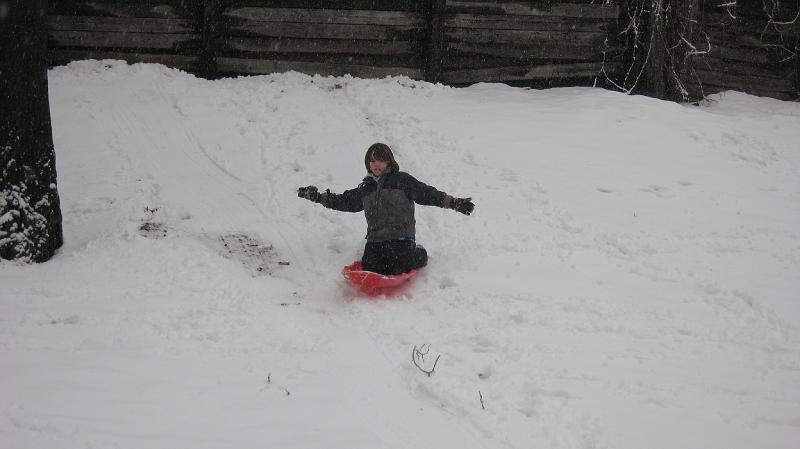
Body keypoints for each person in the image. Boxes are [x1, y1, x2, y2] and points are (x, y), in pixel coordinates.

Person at [297, 143, 474, 275]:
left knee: (398, 266)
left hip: (401, 238)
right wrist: (318, 197)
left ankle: (419, 252)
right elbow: (345, 201)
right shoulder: (365, 188)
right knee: (371, 267)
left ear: (389, 161)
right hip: (375, 240)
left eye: (380, 159)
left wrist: (453, 202)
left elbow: (427, 193)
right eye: (372, 161)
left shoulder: (401, 180)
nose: (376, 164)